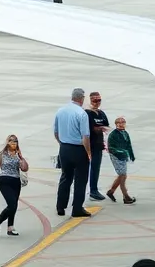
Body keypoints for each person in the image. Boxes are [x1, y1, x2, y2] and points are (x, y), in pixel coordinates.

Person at [53, 88, 92, 218]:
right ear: (81, 98)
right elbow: (85, 137)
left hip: (64, 148)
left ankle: (60, 206)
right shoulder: (82, 114)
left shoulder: (61, 111)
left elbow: (56, 132)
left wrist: (63, 144)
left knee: (65, 177)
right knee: (80, 180)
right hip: (78, 149)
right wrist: (88, 153)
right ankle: (77, 208)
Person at [0, 134, 29, 237]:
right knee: (12, 204)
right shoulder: (1, 155)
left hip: (16, 181)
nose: (13, 143)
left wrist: (21, 158)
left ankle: (10, 227)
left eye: (15, 142)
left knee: (14, 204)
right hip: (4, 180)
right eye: (11, 141)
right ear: (7, 143)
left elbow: (25, 168)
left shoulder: (18, 154)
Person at [105, 116, 136, 204]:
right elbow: (111, 148)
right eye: (119, 123)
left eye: (123, 122)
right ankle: (126, 196)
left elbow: (128, 145)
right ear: (116, 124)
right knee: (123, 176)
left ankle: (111, 191)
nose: (121, 124)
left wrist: (131, 155)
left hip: (123, 156)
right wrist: (121, 151)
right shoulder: (113, 135)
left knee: (122, 175)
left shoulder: (125, 133)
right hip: (116, 157)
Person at [85, 91, 109, 200]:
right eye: (94, 100)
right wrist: (99, 128)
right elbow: (89, 129)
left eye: (99, 100)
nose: (97, 102)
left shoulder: (101, 113)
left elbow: (106, 125)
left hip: (99, 144)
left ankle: (94, 189)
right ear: (90, 100)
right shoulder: (87, 113)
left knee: (96, 167)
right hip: (89, 144)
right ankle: (92, 191)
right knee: (88, 168)